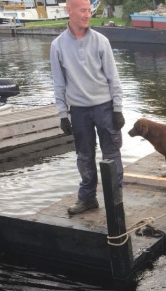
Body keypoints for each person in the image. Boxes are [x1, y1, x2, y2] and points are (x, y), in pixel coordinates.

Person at [50, 0, 125, 215]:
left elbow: (114, 77)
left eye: (89, 11)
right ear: (69, 11)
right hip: (79, 111)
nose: (87, 15)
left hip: (105, 107)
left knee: (111, 154)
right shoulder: (58, 46)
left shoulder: (101, 41)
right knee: (84, 156)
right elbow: (58, 83)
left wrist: (117, 108)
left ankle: (115, 198)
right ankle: (88, 198)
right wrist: (63, 114)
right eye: (82, 10)